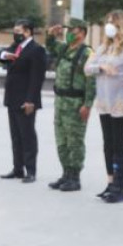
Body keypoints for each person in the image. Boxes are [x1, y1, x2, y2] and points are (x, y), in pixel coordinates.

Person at [84, 10, 123, 203]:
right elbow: (87, 68)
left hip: (120, 103)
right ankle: (111, 183)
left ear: (121, 25)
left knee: (119, 146)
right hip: (104, 102)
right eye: (107, 22)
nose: (109, 26)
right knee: (108, 145)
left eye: (112, 22)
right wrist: (101, 67)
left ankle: (121, 187)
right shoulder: (103, 47)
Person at [0, 19, 47, 183]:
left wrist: (31, 100)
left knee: (27, 136)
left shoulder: (37, 50)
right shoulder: (16, 47)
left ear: (28, 32)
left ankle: (31, 171)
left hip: (26, 101)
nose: (15, 34)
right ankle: (17, 169)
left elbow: (37, 78)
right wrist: (3, 55)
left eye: (18, 31)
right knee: (16, 136)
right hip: (12, 98)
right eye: (14, 31)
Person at [46, 18, 96, 192]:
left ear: (81, 32)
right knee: (61, 140)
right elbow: (50, 46)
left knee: (74, 141)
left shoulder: (87, 53)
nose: (68, 33)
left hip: (76, 103)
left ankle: (75, 177)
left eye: (72, 30)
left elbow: (91, 81)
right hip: (60, 102)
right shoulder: (65, 49)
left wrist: (87, 105)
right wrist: (51, 34)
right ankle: (66, 173)